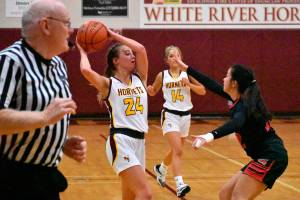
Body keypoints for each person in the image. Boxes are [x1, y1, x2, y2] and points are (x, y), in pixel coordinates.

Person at [0, 0, 87, 200]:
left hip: (44, 178)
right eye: (67, 23)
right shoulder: (10, 61)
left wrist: (58, 143)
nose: (71, 30)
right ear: (46, 25)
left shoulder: (59, 65)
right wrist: (44, 118)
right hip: (11, 180)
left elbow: (38, 119)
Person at [175, 60, 288, 200]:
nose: (224, 79)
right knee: (225, 194)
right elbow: (211, 84)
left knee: (239, 197)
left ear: (234, 83)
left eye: (227, 76)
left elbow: (236, 123)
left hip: (272, 156)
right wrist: (186, 68)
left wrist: (210, 136)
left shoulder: (244, 106)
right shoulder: (238, 98)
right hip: (262, 156)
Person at [77, 27, 152, 200]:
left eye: (131, 53)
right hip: (121, 141)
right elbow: (86, 71)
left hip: (140, 142)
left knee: (130, 196)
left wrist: (112, 35)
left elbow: (141, 49)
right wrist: (83, 52)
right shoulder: (108, 84)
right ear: (116, 61)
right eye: (127, 53)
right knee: (145, 194)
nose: (132, 56)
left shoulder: (140, 78)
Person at [147, 45, 206, 197]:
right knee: (178, 150)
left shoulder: (187, 73)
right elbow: (153, 91)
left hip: (185, 116)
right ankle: (180, 184)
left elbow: (202, 90)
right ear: (166, 60)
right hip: (170, 115)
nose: (175, 58)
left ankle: (161, 168)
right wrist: (148, 90)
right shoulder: (162, 75)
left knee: (175, 150)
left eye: (177, 55)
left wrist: (189, 84)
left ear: (181, 58)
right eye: (171, 56)